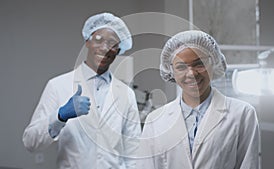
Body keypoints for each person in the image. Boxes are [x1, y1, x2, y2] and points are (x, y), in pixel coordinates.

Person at [23, 12, 141, 169]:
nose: (105, 48)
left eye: (112, 43)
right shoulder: (58, 86)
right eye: (98, 40)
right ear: (87, 41)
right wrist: (59, 116)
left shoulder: (126, 94)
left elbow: (134, 152)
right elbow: (31, 142)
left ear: (118, 50)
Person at [137, 30, 260, 169]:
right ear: (171, 71)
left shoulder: (242, 114)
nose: (191, 74)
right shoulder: (155, 120)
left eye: (199, 64)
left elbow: (248, 165)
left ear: (213, 63)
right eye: (181, 67)